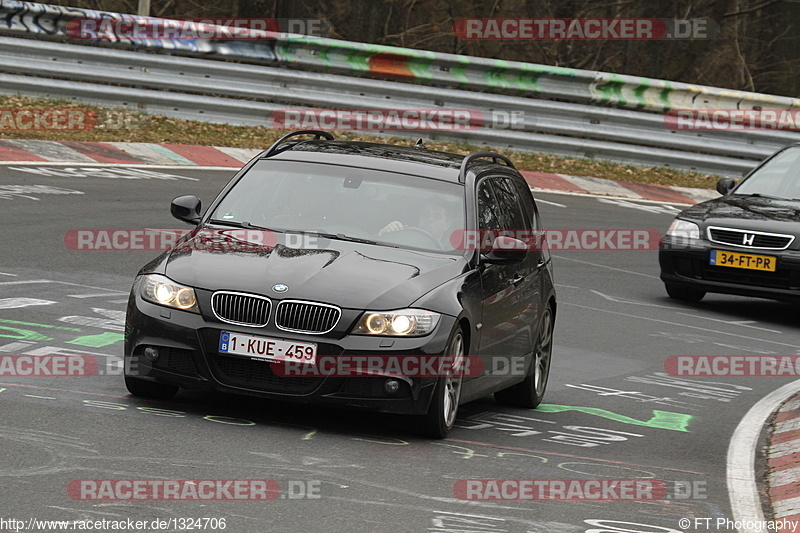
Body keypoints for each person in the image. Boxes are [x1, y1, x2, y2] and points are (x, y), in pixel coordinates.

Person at [378, 201, 451, 246]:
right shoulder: (402, 234)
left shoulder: (450, 251)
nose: (429, 219)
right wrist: (383, 234)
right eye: (425, 214)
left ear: (446, 225)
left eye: (436, 217)